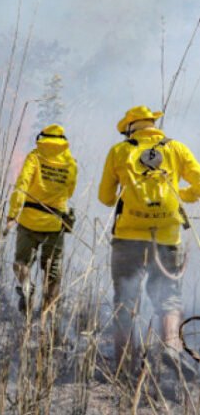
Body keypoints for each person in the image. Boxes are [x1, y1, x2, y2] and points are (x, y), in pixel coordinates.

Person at [98, 105, 200, 380]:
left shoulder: (119, 151)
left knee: (125, 302)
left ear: (131, 128)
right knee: (169, 298)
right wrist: (184, 195)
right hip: (167, 236)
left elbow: (106, 198)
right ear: (153, 124)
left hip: (128, 237)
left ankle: (123, 368)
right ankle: (171, 345)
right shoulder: (176, 148)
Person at [5, 124, 77, 324]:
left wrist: (12, 214)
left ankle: (27, 288)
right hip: (54, 225)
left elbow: (22, 185)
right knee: (52, 271)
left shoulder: (34, 157)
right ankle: (48, 315)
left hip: (28, 221)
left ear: (41, 138)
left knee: (22, 264)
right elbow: (69, 192)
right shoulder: (70, 163)